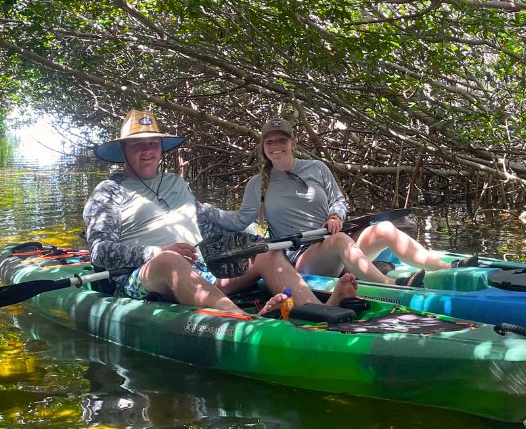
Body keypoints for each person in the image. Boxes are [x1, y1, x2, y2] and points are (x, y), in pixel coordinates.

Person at [83, 110, 357, 316]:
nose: (147, 151)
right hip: (146, 275)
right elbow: (99, 251)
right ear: (123, 150)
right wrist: (155, 251)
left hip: (202, 271)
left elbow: (208, 229)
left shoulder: (176, 183)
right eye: (137, 145)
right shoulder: (108, 191)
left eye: (152, 144)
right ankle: (241, 320)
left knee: (265, 250)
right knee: (169, 260)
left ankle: (316, 310)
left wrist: (250, 238)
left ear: (160, 148)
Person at [200, 118, 468, 287]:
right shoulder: (256, 183)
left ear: (293, 142)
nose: (276, 146)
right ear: (263, 147)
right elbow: (239, 221)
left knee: (384, 228)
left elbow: (338, 200)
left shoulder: (317, 168)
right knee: (341, 242)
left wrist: (335, 216)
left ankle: (444, 268)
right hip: (301, 255)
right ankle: (393, 286)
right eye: (270, 142)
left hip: (331, 240)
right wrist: (205, 210)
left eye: (282, 140)